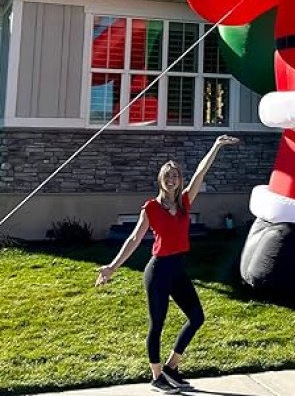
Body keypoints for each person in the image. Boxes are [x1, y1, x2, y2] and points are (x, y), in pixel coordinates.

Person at [96, 134, 239, 393]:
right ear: (160, 180)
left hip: (178, 269)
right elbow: (133, 239)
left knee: (196, 317)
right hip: (158, 270)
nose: (172, 179)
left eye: (175, 175)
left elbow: (200, 172)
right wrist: (112, 267)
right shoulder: (150, 208)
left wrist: (216, 146)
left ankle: (172, 367)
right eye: (167, 175)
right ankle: (156, 375)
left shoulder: (185, 202)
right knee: (158, 323)